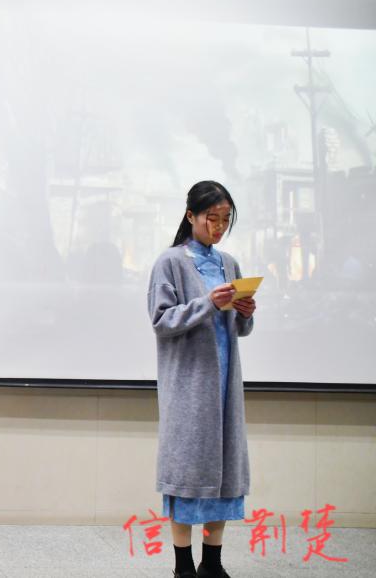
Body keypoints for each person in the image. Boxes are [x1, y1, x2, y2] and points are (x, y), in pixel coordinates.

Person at [147, 181, 257, 578]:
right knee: (187, 476)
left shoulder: (229, 263)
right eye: (212, 218)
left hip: (225, 387)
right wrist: (208, 303)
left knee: (222, 477)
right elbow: (162, 320)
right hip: (189, 387)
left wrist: (244, 312)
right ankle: (183, 567)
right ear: (191, 215)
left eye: (226, 219)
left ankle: (212, 562)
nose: (219, 226)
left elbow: (240, 330)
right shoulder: (170, 262)